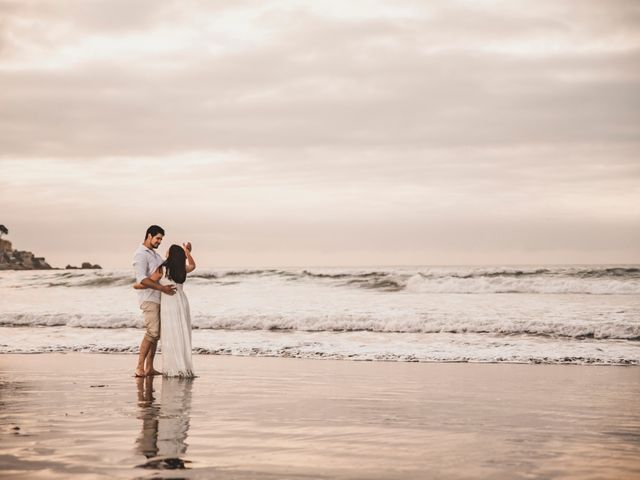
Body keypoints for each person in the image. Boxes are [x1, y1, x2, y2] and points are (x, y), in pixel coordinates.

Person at [134, 242, 196, 377]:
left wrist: (137, 286)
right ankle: (183, 367)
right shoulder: (181, 268)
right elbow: (193, 266)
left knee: (171, 334)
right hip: (182, 302)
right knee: (181, 333)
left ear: (170, 255)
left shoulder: (162, 268)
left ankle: (173, 368)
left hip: (169, 304)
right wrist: (187, 252)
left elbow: (148, 282)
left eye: (168, 251)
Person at [133, 225, 176, 377]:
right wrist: (162, 288)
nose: (159, 241)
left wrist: (184, 253)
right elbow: (141, 280)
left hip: (159, 299)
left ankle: (149, 367)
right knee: (152, 332)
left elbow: (166, 270)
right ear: (149, 236)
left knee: (156, 334)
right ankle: (139, 367)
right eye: (157, 238)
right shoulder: (140, 254)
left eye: (161, 239)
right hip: (149, 299)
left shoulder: (156, 256)